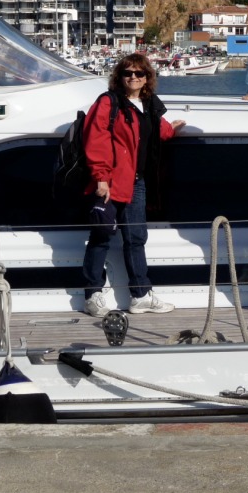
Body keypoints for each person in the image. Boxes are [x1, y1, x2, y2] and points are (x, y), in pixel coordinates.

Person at [82, 54, 185, 316]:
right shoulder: (109, 102)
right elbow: (96, 139)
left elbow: (155, 132)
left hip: (137, 182)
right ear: (120, 76)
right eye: (128, 73)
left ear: (147, 77)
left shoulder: (148, 104)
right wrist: (101, 177)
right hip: (112, 181)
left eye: (139, 74)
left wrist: (172, 129)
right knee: (101, 236)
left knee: (136, 239)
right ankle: (92, 295)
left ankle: (140, 295)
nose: (133, 78)